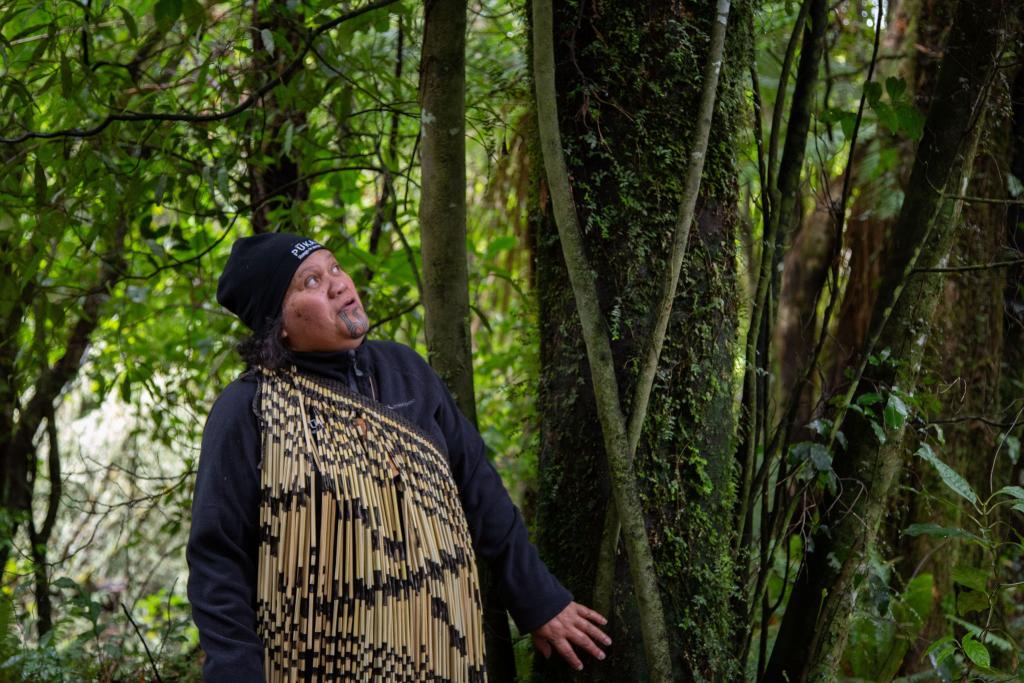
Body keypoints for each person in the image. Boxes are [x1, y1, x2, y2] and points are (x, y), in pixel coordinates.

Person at [187, 233, 610, 682]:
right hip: (317, 660)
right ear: (280, 325)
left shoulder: (407, 372)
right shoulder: (249, 410)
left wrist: (537, 599)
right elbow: (218, 559)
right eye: (310, 281)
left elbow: (478, 488)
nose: (337, 284)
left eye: (334, 267)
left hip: (440, 650)